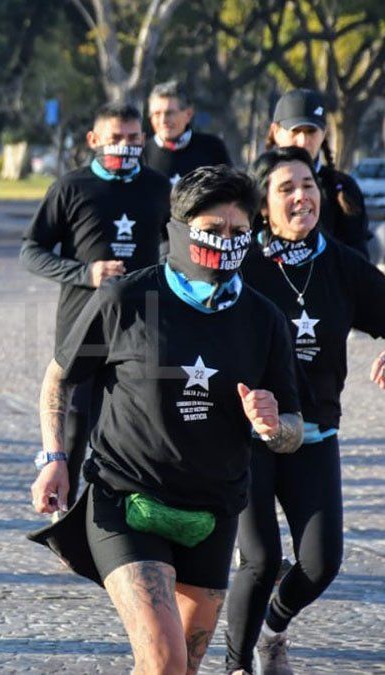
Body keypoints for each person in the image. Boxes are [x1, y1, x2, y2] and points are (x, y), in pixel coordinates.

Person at [28, 165, 304, 675]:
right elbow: (58, 379)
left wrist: (273, 426)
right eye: (212, 230)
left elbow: (293, 428)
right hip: (126, 499)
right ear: (179, 229)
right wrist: (55, 457)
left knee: (183, 666)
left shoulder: (264, 319)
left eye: (238, 232)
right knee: (162, 658)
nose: (226, 242)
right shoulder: (126, 299)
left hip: (213, 510)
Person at [224, 147, 385, 675]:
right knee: (261, 558)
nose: (302, 197)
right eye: (286, 188)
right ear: (264, 206)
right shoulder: (241, 263)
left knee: (321, 563)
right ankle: (236, 666)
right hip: (250, 435)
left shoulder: (341, 263)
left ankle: (273, 631)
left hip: (316, 431)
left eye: (309, 185)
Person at [20, 102, 171, 506]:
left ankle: (127, 510)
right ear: (93, 140)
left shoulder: (159, 188)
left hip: (145, 321)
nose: (125, 146)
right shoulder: (71, 187)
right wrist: (85, 273)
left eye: (134, 138)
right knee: (76, 420)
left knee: (141, 418)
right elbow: (31, 251)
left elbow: (175, 244)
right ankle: (63, 509)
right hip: (82, 320)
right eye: (116, 138)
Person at [265, 89, 372, 259]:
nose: (303, 141)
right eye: (295, 131)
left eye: (311, 132)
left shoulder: (344, 188)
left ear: (324, 133)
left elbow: (359, 261)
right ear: (275, 131)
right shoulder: (254, 186)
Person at [142, 80, 232, 187]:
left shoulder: (212, 147)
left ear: (188, 114)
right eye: (156, 114)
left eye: (169, 113)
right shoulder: (142, 154)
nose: (163, 120)